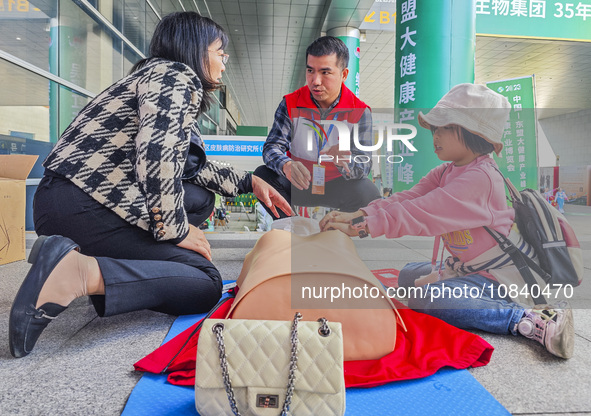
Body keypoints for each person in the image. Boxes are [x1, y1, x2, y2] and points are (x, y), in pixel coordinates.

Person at [9, 12, 291, 358]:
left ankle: (89, 257)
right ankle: (77, 272)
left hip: (67, 201)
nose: (223, 63)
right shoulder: (175, 76)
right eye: (220, 52)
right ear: (197, 50)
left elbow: (189, 166)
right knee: (204, 282)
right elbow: (157, 157)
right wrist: (175, 231)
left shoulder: (151, 77)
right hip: (82, 204)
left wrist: (251, 181)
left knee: (200, 201)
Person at [320, 83, 574, 359]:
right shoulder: (447, 170)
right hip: (469, 269)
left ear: (472, 132)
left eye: (444, 127)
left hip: (503, 278)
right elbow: (407, 198)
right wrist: (359, 215)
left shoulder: (480, 178)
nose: (435, 135)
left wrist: (362, 226)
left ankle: (527, 320)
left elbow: (419, 212)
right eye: (434, 128)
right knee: (408, 275)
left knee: (428, 297)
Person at [253, 36, 380, 219]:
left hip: (337, 185)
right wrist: (287, 165)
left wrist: (346, 161)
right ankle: (289, 226)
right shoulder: (290, 103)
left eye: (325, 72)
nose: (315, 81)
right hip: (298, 182)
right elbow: (272, 147)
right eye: (310, 70)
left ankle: (341, 230)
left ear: (344, 75)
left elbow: (365, 164)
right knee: (262, 176)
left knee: (369, 194)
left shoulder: (360, 111)